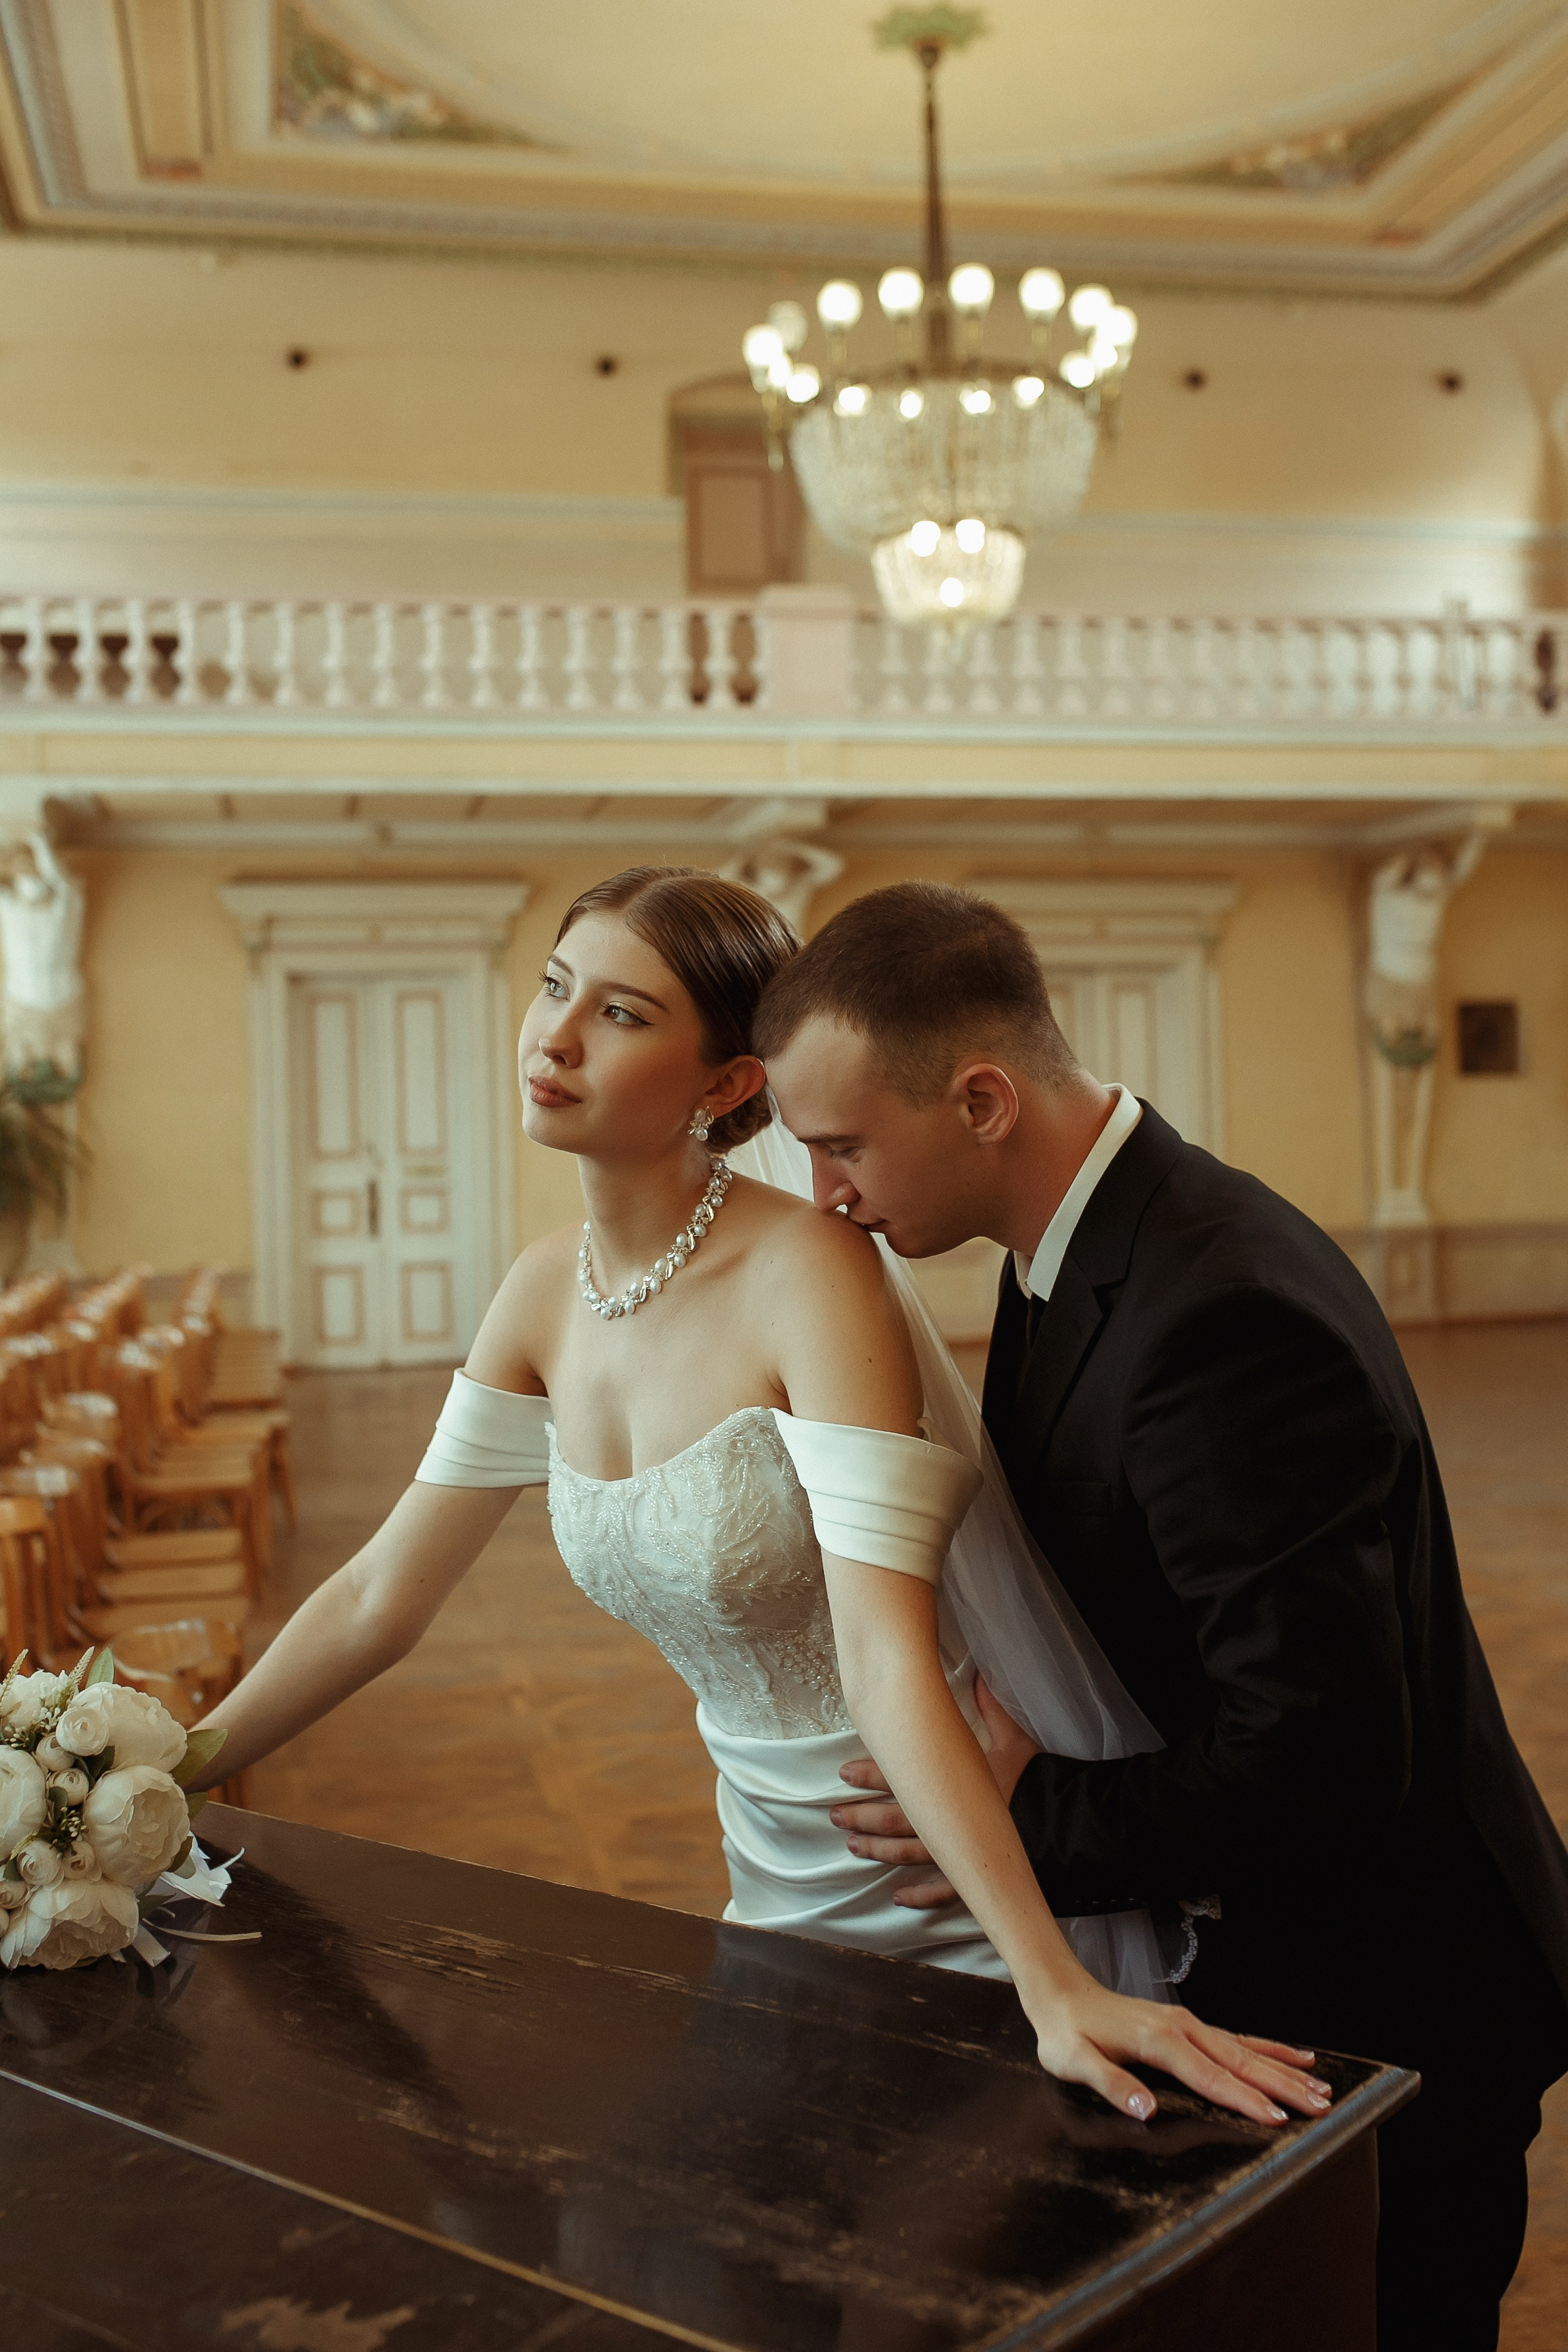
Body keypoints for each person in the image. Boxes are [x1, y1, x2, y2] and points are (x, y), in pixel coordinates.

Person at [193, 865, 1322, 2132]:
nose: (555, 1037)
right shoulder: (538, 1295)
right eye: (556, 988)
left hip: (934, 1860)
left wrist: (1049, 1980)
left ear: (731, 1085)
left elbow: (883, 1650)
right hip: (769, 1863)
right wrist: (160, 1773)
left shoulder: (811, 1275)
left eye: (622, 1015)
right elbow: (380, 1594)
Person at [756, 880, 1568, 2352]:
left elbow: (1322, 1756)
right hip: (1306, 1955)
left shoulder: (1216, 1312)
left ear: (984, 1097)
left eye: (841, 1144)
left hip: (1395, 1999)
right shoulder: (1077, 1249)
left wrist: (1021, 1820)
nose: (828, 1195)